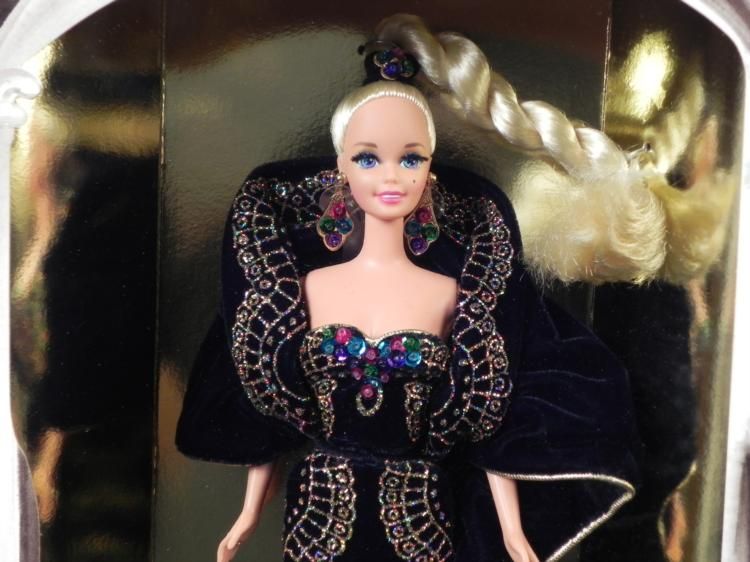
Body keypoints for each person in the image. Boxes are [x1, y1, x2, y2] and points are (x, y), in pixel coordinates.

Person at [177, 15, 644, 562]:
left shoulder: (453, 295)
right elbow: (270, 421)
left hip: (419, 517)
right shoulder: (301, 290)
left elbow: (495, 423)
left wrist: (513, 533)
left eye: (411, 158)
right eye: (368, 158)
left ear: (429, 170)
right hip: (318, 515)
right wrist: (247, 515)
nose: (391, 177)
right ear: (341, 166)